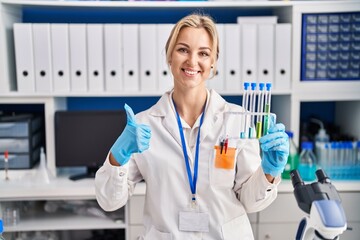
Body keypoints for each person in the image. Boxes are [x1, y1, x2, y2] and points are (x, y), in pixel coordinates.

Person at [95, 13, 289, 240]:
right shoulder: (144, 125)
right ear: (170, 56)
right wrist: (119, 155)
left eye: (203, 53)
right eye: (183, 50)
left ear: (213, 61)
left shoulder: (238, 119)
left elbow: (250, 201)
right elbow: (109, 201)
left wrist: (269, 172)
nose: (192, 61)